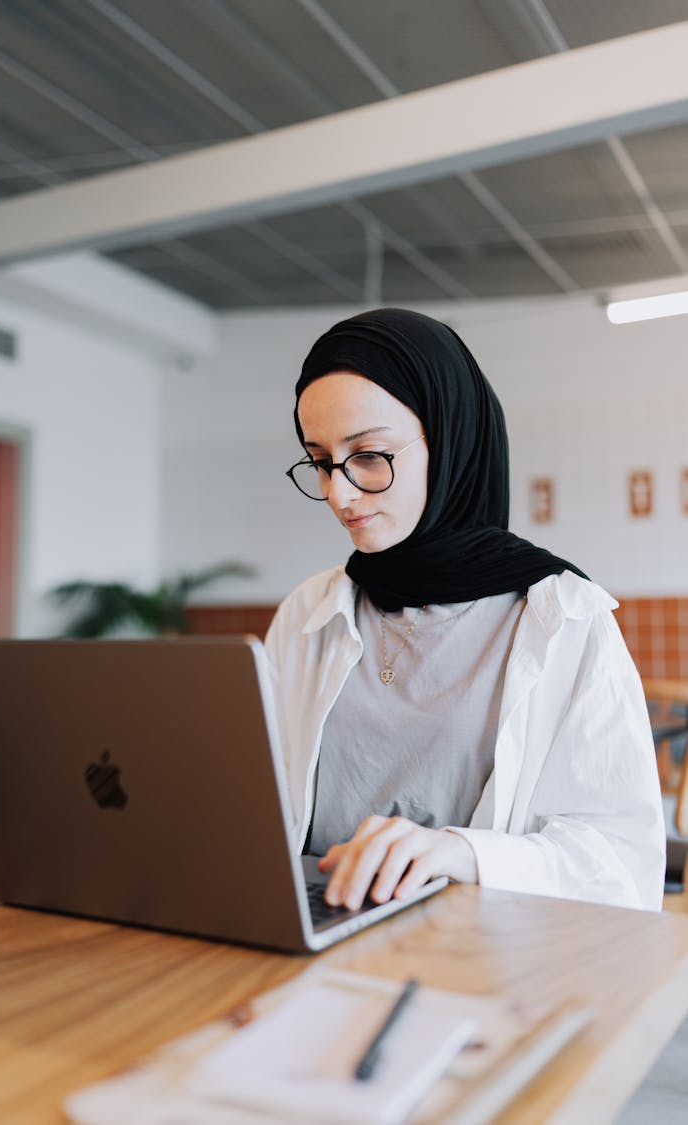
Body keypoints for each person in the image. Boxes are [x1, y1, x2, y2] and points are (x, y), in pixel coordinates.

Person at [265, 308, 665, 912]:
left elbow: (622, 865)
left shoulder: (563, 622)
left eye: (369, 455)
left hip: (478, 962)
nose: (338, 494)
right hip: (312, 941)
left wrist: (463, 854)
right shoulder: (306, 615)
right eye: (321, 461)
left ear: (451, 439)